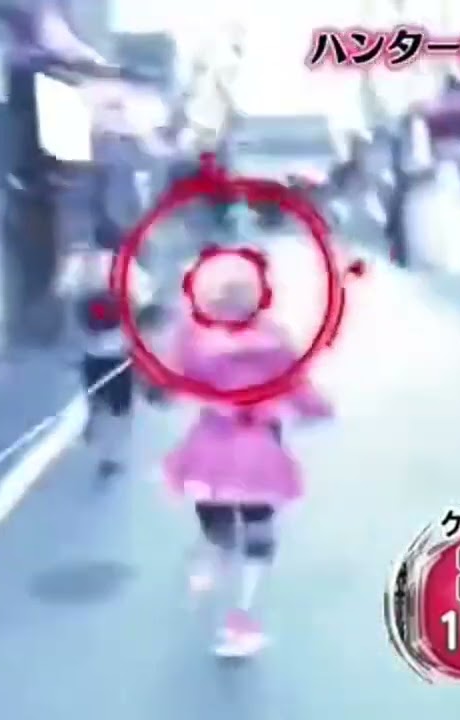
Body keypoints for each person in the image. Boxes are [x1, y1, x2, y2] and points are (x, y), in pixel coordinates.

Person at [160, 270, 332, 657]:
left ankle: (208, 568)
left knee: (218, 530)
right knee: (258, 535)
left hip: (210, 451)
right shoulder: (274, 341)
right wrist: (319, 411)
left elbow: (172, 382)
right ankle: (241, 618)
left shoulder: (194, 339)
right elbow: (299, 389)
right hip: (260, 452)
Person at [55, 244, 160, 478]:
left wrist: (71, 337)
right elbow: (145, 302)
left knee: (96, 398)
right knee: (121, 406)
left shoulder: (78, 264)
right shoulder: (127, 267)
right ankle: (112, 454)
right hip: (120, 349)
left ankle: (97, 427)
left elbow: (64, 297)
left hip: (90, 348)